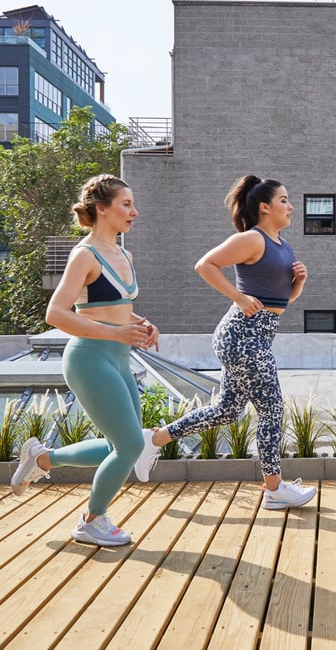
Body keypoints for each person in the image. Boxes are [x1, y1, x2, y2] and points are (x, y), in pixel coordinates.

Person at [133, 175, 317, 510]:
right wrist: (239, 296)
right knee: (272, 409)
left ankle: (154, 439)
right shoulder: (252, 239)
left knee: (227, 411)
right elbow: (205, 265)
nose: (291, 207)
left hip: (259, 333)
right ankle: (274, 488)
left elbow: (281, 302)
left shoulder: (282, 244)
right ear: (265, 207)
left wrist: (299, 283)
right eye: (284, 200)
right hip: (242, 334)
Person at [11, 174, 160, 547]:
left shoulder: (125, 254)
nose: (134, 211)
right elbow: (56, 314)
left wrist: (142, 325)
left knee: (123, 445)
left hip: (119, 357)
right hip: (89, 358)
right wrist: (115, 333)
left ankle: (43, 459)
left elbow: (114, 310)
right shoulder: (84, 255)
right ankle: (91, 521)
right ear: (102, 209)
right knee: (129, 445)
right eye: (126, 204)